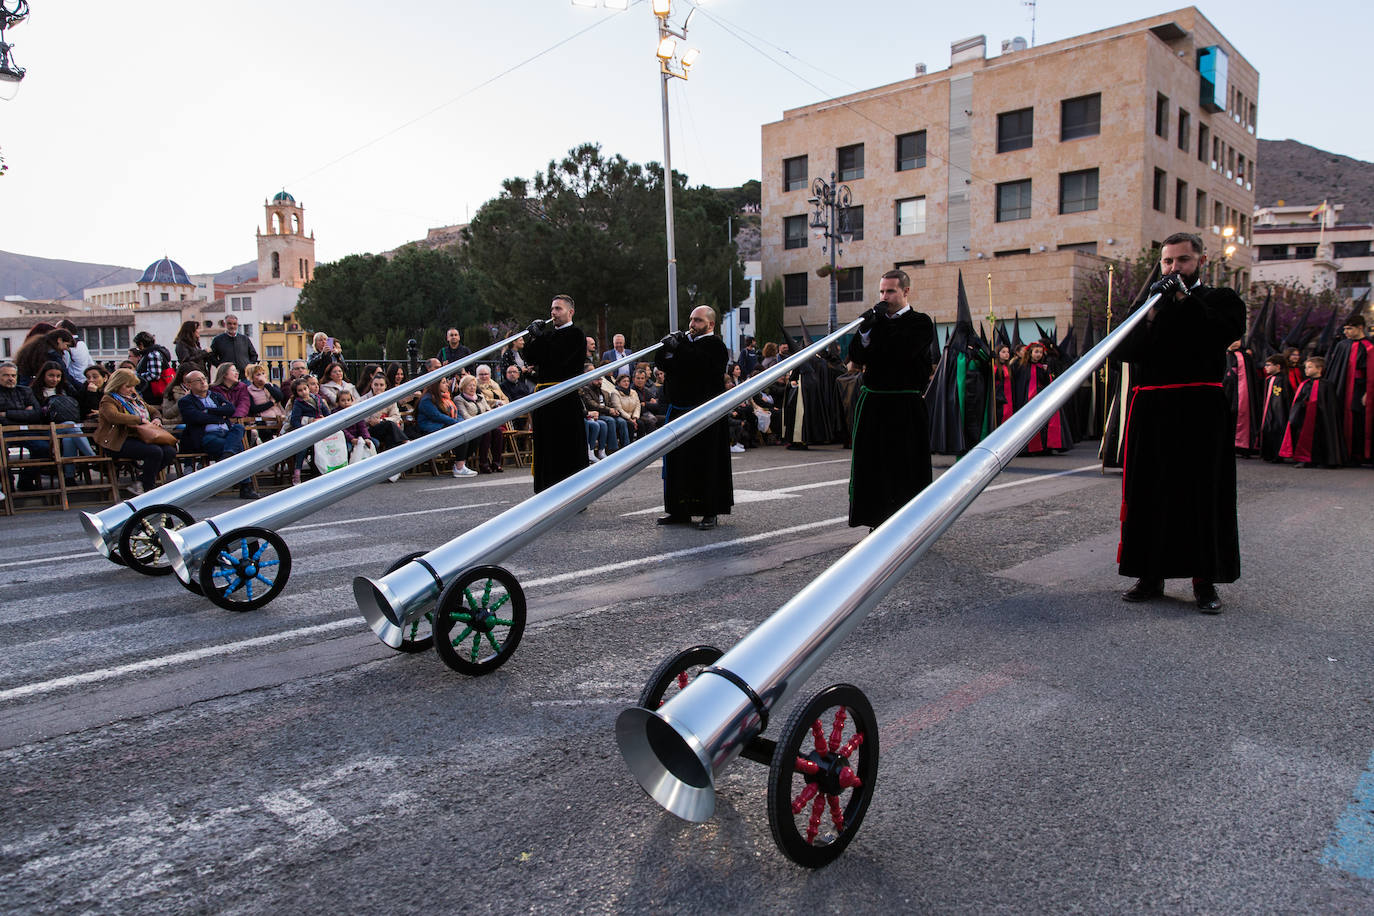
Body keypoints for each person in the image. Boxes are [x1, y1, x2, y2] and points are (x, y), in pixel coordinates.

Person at [1115, 232, 1243, 613]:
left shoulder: (1221, 300)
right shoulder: (1149, 303)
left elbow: (1220, 333)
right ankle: (1149, 575)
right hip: (1152, 408)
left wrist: (1183, 298)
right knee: (1149, 492)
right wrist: (1151, 312)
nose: (1173, 269)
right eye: (1167, 262)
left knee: (1201, 494)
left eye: (1182, 261)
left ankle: (1204, 582)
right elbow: (1125, 350)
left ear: (1200, 261)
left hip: (1200, 409)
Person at [846, 268, 935, 529]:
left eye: (891, 291)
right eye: (882, 291)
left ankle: (909, 522)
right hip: (875, 403)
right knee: (873, 464)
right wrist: (863, 333)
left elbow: (900, 351)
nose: (885, 296)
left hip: (905, 406)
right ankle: (875, 518)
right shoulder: (876, 323)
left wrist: (876, 329)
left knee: (905, 464)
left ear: (905, 291)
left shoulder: (920, 322)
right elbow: (856, 357)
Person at [654, 305, 732, 530]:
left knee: (705, 462)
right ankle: (679, 511)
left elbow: (701, 366)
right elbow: (663, 363)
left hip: (704, 414)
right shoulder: (685, 343)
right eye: (691, 320)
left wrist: (679, 348)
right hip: (679, 409)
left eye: (698, 321)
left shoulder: (716, 346)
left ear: (710, 324)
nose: (692, 325)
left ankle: (710, 511)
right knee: (678, 463)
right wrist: (665, 346)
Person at [523, 294, 589, 491]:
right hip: (544, 397)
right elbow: (530, 357)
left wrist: (541, 338)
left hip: (564, 397)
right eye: (552, 309)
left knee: (566, 445)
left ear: (570, 312)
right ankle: (545, 489)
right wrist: (533, 336)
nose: (553, 313)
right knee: (546, 444)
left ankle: (571, 492)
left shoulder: (577, 335)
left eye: (558, 309)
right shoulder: (549, 335)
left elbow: (560, 358)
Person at [93, 368, 177, 496]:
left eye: (133, 386)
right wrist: (139, 420)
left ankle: (142, 480)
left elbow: (153, 411)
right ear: (117, 385)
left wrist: (156, 419)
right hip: (118, 440)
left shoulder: (134, 398)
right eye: (128, 386)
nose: (132, 389)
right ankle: (148, 488)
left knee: (169, 451)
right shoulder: (108, 399)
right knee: (154, 452)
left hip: (140, 437)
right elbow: (113, 416)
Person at [177, 369, 260, 499]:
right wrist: (218, 415)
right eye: (198, 380)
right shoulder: (186, 401)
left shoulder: (215, 395)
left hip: (227, 433)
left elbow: (230, 409)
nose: (203, 382)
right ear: (188, 385)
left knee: (238, 428)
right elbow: (196, 418)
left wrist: (207, 411)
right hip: (208, 436)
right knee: (239, 451)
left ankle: (227, 456)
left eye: (204, 379)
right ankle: (245, 487)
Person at [1323, 312, 1374, 466]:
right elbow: (1334, 369)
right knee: (1340, 418)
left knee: (1359, 421)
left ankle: (1360, 454)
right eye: (1344, 329)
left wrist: (1368, 393)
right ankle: (1342, 453)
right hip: (1342, 388)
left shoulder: (1370, 347)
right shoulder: (1342, 345)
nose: (1345, 332)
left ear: (1360, 328)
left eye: (1349, 329)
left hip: (1360, 389)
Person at [1279, 356, 1342, 469]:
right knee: (1304, 438)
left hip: (1322, 418)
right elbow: (1297, 402)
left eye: (1310, 367)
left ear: (1319, 369)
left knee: (1323, 438)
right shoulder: (1304, 384)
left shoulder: (1327, 385)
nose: (1306, 370)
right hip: (1305, 418)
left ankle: (1325, 460)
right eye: (1306, 367)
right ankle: (1306, 459)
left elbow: (1331, 405)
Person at [1012, 341, 1074, 455]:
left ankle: (1045, 447)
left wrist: (1045, 372)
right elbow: (1020, 385)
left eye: (1040, 352)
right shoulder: (1022, 367)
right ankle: (1029, 448)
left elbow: (1046, 382)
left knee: (1044, 423)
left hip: (1042, 399)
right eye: (1036, 352)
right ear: (1030, 353)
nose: (1038, 354)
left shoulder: (1043, 366)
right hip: (1028, 399)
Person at [416, 376, 477, 477]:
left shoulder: (446, 398)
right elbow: (436, 416)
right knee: (461, 432)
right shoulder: (427, 399)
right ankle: (459, 467)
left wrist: (461, 422)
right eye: (443, 382)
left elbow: (457, 414)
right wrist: (456, 423)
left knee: (474, 433)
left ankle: (462, 462)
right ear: (436, 385)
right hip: (433, 428)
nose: (447, 384)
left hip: (446, 425)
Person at [455, 374, 503, 473]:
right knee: (486, 433)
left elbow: (488, 410)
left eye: (474, 385)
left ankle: (496, 463)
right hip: (472, 425)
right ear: (463, 386)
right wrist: (480, 421)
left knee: (498, 431)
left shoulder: (480, 397)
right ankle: (483, 463)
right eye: (469, 385)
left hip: (484, 423)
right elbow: (465, 415)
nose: (472, 388)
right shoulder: (459, 399)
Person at [287, 377, 330, 484]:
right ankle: (297, 471)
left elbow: (327, 412)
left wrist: (325, 419)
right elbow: (294, 420)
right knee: (303, 447)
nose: (303, 392)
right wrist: (303, 429)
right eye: (300, 390)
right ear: (296, 393)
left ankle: (326, 469)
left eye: (305, 389)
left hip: (320, 428)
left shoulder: (317, 398)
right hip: (306, 430)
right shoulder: (298, 402)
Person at [1223, 339, 1262, 458]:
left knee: (1242, 416)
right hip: (1225, 391)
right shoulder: (1223, 355)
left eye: (1237, 340)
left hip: (1241, 393)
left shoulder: (1244, 357)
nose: (1235, 343)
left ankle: (1243, 446)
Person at [360, 373, 409, 451]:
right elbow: (360, 418)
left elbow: (396, 417)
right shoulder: (363, 400)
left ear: (385, 386)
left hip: (385, 427)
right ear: (371, 385)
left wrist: (382, 420)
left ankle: (392, 457)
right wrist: (370, 421)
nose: (378, 388)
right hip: (369, 430)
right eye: (376, 385)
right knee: (389, 425)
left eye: (381, 385)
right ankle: (405, 442)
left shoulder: (390, 399)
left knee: (390, 434)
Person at [1257, 354, 1291, 463]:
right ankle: (1267, 453)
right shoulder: (1269, 379)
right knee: (1268, 430)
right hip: (1268, 410)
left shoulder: (1282, 380)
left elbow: (1284, 397)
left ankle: (1277, 455)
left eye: (1268, 365)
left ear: (1278, 366)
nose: (1265, 367)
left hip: (1278, 411)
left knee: (1277, 431)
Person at [132, 331, 174, 407]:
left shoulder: (152, 354)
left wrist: (138, 376)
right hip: (153, 392)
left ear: (141, 344)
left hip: (153, 392)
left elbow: (154, 375)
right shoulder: (151, 353)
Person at [56, 320, 95, 386]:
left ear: (65, 329)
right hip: (84, 381)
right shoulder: (82, 344)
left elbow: (64, 367)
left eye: (57, 330)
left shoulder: (67, 346)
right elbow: (91, 364)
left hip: (73, 383)